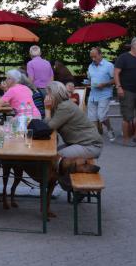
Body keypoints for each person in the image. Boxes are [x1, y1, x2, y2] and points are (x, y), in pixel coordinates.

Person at [44, 81, 103, 209]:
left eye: (48, 94)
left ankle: (78, 188)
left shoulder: (65, 107)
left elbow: (48, 127)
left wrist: (47, 110)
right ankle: (65, 185)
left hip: (90, 145)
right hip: (80, 143)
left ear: (54, 95)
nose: (46, 97)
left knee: (56, 159)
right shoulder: (61, 106)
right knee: (51, 155)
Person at [114, 36, 136, 146]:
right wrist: (119, 87)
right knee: (127, 117)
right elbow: (116, 73)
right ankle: (126, 139)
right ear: (134, 46)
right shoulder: (123, 57)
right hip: (127, 90)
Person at [87, 47, 116, 141]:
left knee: (102, 116)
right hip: (93, 94)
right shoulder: (90, 66)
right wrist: (88, 83)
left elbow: (115, 79)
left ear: (100, 55)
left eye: (95, 57)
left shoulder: (109, 65)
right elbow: (90, 79)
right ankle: (95, 138)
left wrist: (104, 84)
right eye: (91, 57)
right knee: (92, 118)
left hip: (105, 94)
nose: (93, 59)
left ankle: (109, 129)